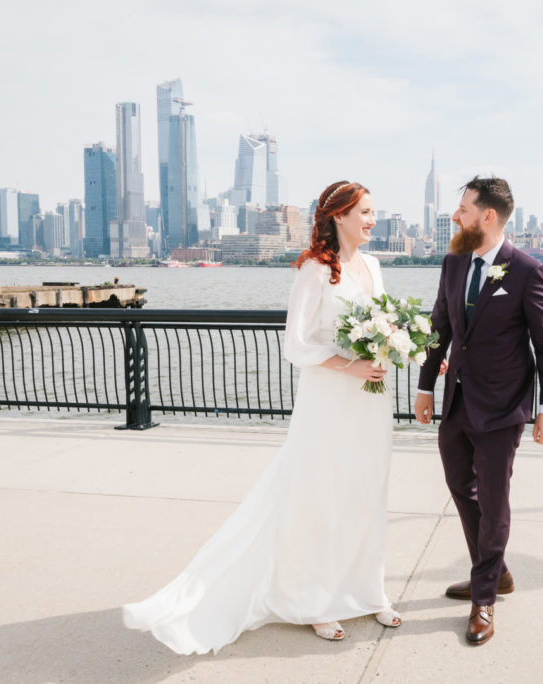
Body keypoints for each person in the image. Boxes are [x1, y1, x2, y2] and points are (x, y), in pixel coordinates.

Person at [123, 181, 401, 653]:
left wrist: (390, 345)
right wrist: (350, 365)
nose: (372, 220)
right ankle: (315, 601)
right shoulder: (315, 270)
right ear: (338, 217)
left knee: (366, 491)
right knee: (322, 497)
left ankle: (367, 591)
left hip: (370, 401)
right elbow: (295, 344)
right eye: (364, 212)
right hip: (330, 401)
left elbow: (383, 324)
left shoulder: (374, 265)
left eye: (374, 211)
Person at [415, 176, 543, 646]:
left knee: (495, 499)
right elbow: (440, 324)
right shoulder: (454, 261)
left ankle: (484, 599)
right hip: (457, 400)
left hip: (503, 406)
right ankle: (495, 572)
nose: (455, 217)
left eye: (462, 209)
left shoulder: (526, 270)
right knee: (460, 485)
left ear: (488, 216)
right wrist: (424, 386)